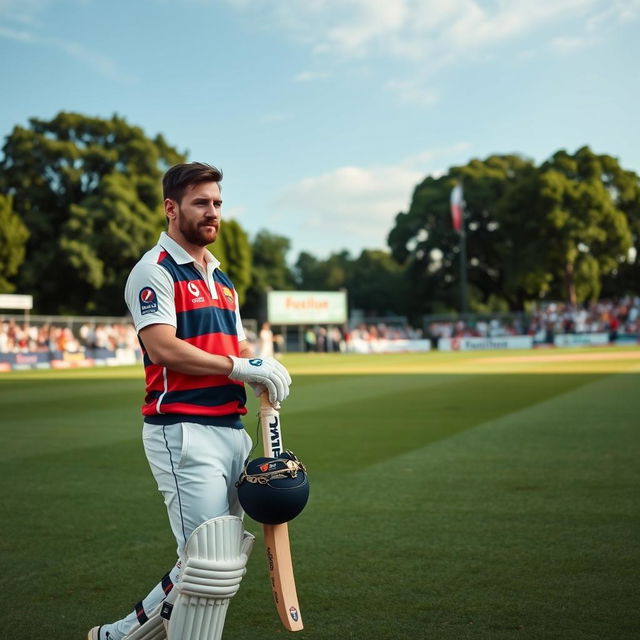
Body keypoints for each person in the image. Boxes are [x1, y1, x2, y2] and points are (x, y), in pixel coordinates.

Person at [87, 162, 292, 640]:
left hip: (231, 428)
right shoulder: (153, 270)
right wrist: (238, 367)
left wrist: (259, 367)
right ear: (171, 208)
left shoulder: (222, 278)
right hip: (182, 429)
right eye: (202, 202)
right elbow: (162, 346)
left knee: (213, 564)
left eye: (217, 203)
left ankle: (117, 636)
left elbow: (234, 347)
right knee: (209, 563)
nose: (212, 212)